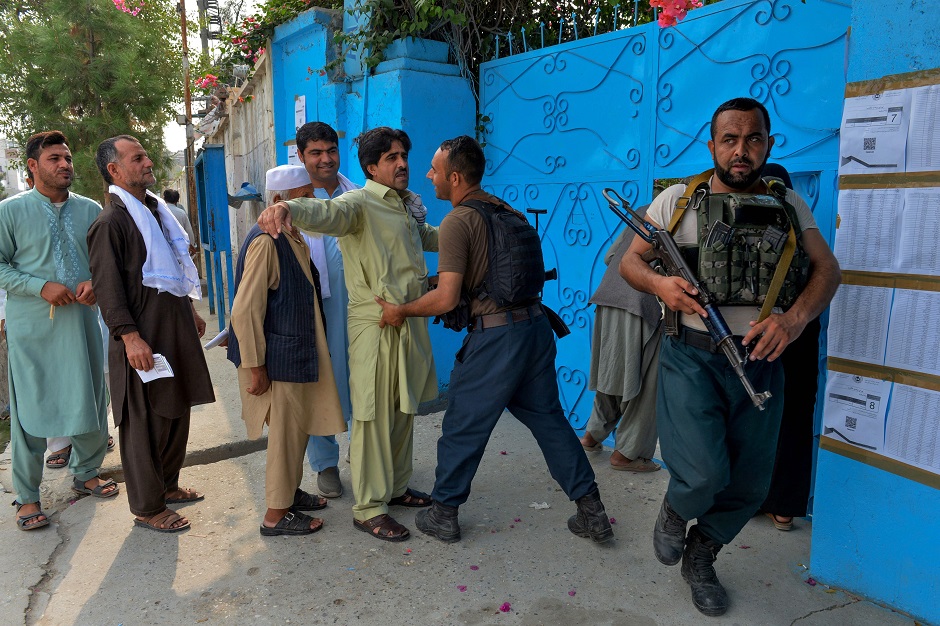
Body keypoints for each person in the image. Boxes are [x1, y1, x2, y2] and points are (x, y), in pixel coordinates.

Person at [621, 98, 841, 616]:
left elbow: (827, 271)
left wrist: (792, 320)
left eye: (753, 139)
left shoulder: (788, 203)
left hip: (762, 360)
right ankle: (676, 511)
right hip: (692, 355)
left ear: (768, 143)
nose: (741, 151)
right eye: (730, 139)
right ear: (713, 145)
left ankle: (702, 556)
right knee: (702, 474)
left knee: (750, 482)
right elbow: (630, 261)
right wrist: (662, 286)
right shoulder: (678, 200)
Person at [375, 135, 614, 545]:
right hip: (535, 330)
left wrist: (400, 310)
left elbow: (447, 297)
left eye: (434, 169)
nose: (428, 175)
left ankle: (444, 513)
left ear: (454, 177)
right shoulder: (507, 212)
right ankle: (593, 512)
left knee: (463, 424)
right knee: (551, 422)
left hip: (497, 340)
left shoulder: (458, 221)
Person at [257, 127, 437, 542]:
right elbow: (324, 214)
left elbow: (427, 238)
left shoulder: (405, 208)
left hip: (409, 322)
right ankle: (370, 507)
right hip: (373, 325)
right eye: (391, 158)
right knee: (372, 415)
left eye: (404, 155)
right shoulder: (357, 203)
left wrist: (472, 231)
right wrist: (289, 211)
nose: (403, 163)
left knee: (402, 409)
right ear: (372, 168)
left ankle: (395, 488)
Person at [88, 135, 216, 533]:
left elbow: (173, 270)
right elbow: (108, 288)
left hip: (173, 326)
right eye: (137, 157)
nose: (147, 162)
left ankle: (169, 485)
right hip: (142, 335)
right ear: (115, 170)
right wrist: (129, 337)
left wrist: (189, 309)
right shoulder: (110, 223)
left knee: (176, 409)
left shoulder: (156, 211)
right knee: (145, 419)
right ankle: (147, 507)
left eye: (145, 155)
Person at [0, 131, 117, 531]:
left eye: (67, 158)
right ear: (33, 166)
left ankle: (85, 473)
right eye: (55, 159)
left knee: (89, 395)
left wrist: (95, 283)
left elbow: (107, 262)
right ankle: (27, 497)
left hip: (82, 320)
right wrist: (40, 286)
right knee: (31, 410)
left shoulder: (89, 210)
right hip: (31, 328)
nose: (65, 165)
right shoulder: (10, 211)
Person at [227, 164, 347, 536]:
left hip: (293, 354)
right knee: (285, 436)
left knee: (296, 432)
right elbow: (245, 311)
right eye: (305, 197)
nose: (312, 203)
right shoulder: (266, 242)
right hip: (277, 360)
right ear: (281, 201)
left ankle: (290, 495)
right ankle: (276, 515)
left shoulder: (292, 236)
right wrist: (255, 366)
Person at [758, 163, 822, 532]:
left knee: (753, 421)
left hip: (762, 337)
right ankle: (783, 509)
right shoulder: (805, 229)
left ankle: (750, 499)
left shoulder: (749, 230)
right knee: (795, 419)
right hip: (800, 335)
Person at [294, 122, 357, 499]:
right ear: (301, 156)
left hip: (359, 307)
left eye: (330, 150)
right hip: (316, 309)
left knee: (362, 378)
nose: (325, 159)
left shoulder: (357, 195)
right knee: (321, 382)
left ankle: (364, 456)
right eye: (315, 153)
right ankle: (326, 464)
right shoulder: (295, 199)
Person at [579, 213, 663, 472]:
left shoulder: (645, 209)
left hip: (608, 297)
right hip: (641, 304)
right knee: (647, 383)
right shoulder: (687, 210)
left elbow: (609, 257)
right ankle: (627, 454)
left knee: (612, 373)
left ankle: (591, 436)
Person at [161, 189, 197, 255]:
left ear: (164, 199)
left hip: (164, 249)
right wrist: (191, 246)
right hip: (180, 249)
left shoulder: (159, 212)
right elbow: (189, 231)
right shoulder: (181, 213)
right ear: (177, 200)